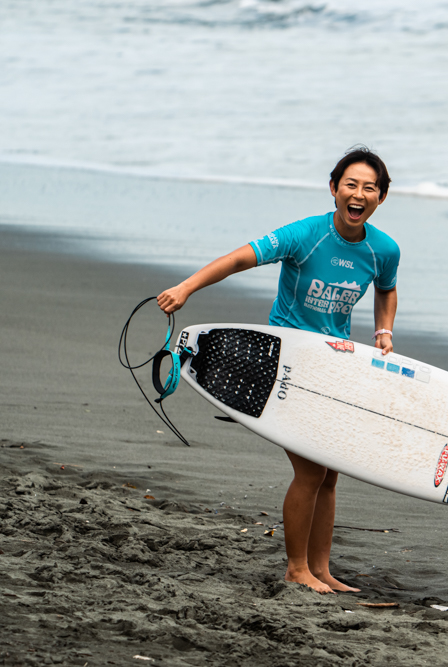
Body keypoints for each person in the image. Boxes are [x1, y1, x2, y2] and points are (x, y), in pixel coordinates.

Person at [157, 147, 400, 594]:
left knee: (329, 473)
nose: (359, 194)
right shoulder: (305, 235)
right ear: (333, 188)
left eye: (370, 188)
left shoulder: (383, 249)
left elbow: (386, 289)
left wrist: (383, 330)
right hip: (286, 363)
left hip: (335, 365)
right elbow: (240, 258)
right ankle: (296, 568)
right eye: (350, 184)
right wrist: (186, 287)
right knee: (310, 472)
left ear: (381, 197)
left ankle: (321, 569)